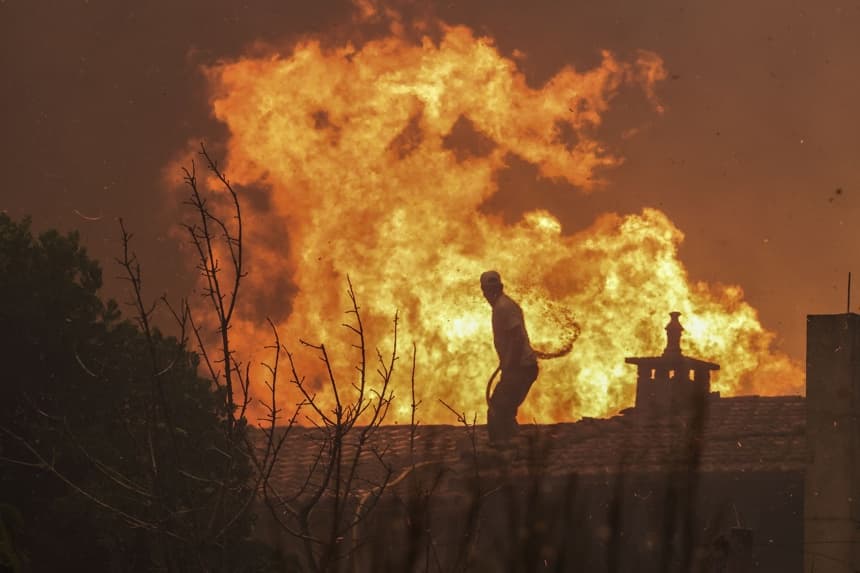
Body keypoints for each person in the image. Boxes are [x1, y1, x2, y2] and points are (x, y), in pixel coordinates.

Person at [480, 270, 539, 446]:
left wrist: (509, 365)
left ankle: (503, 450)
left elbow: (517, 337)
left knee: (497, 409)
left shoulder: (504, 307)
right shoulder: (501, 306)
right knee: (503, 409)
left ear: (501, 287)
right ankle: (513, 446)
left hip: (521, 368)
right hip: (520, 367)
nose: (490, 292)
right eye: (488, 289)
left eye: (494, 288)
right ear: (483, 291)